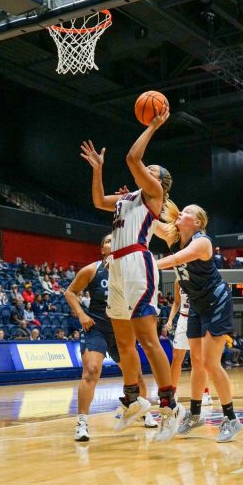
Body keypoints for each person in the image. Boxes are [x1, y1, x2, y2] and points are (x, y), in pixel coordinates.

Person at [81, 106, 184, 442]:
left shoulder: (153, 195)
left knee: (147, 338)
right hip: (117, 268)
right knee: (124, 342)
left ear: (159, 182)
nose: (145, 170)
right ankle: (133, 398)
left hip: (138, 262)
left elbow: (132, 158)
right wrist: (98, 169)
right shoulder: (127, 198)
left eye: (150, 171)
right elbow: (98, 200)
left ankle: (170, 404)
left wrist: (153, 125)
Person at [154, 202, 243, 442]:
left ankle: (231, 419)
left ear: (198, 222)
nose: (181, 212)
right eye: (181, 210)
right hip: (196, 304)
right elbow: (149, 223)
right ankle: (194, 415)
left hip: (217, 302)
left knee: (210, 362)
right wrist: (132, 204)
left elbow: (175, 260)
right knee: (196, 362)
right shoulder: (175, 237)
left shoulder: (202, 242)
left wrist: (147, 265)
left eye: (188, 211)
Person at [65, 234, 158, 442]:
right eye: (107, 241)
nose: (112, 243)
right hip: (96, 327)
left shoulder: (130, 272)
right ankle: (82, 422)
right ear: (102, 249)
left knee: (136, 377)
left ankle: (143, 412)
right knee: (91, 371)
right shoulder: (91, 270)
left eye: (115, 240)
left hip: (122, 329)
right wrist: (81, 314)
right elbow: (70, 292)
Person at [167, 279, 213, 406]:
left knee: (198, 361)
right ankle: (172, 392)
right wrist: (170, 319)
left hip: (197, 320)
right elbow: (177, 302)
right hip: (183, 319)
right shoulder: (178, 281)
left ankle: (205, 393)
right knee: (176, 359)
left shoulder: (201, 278)